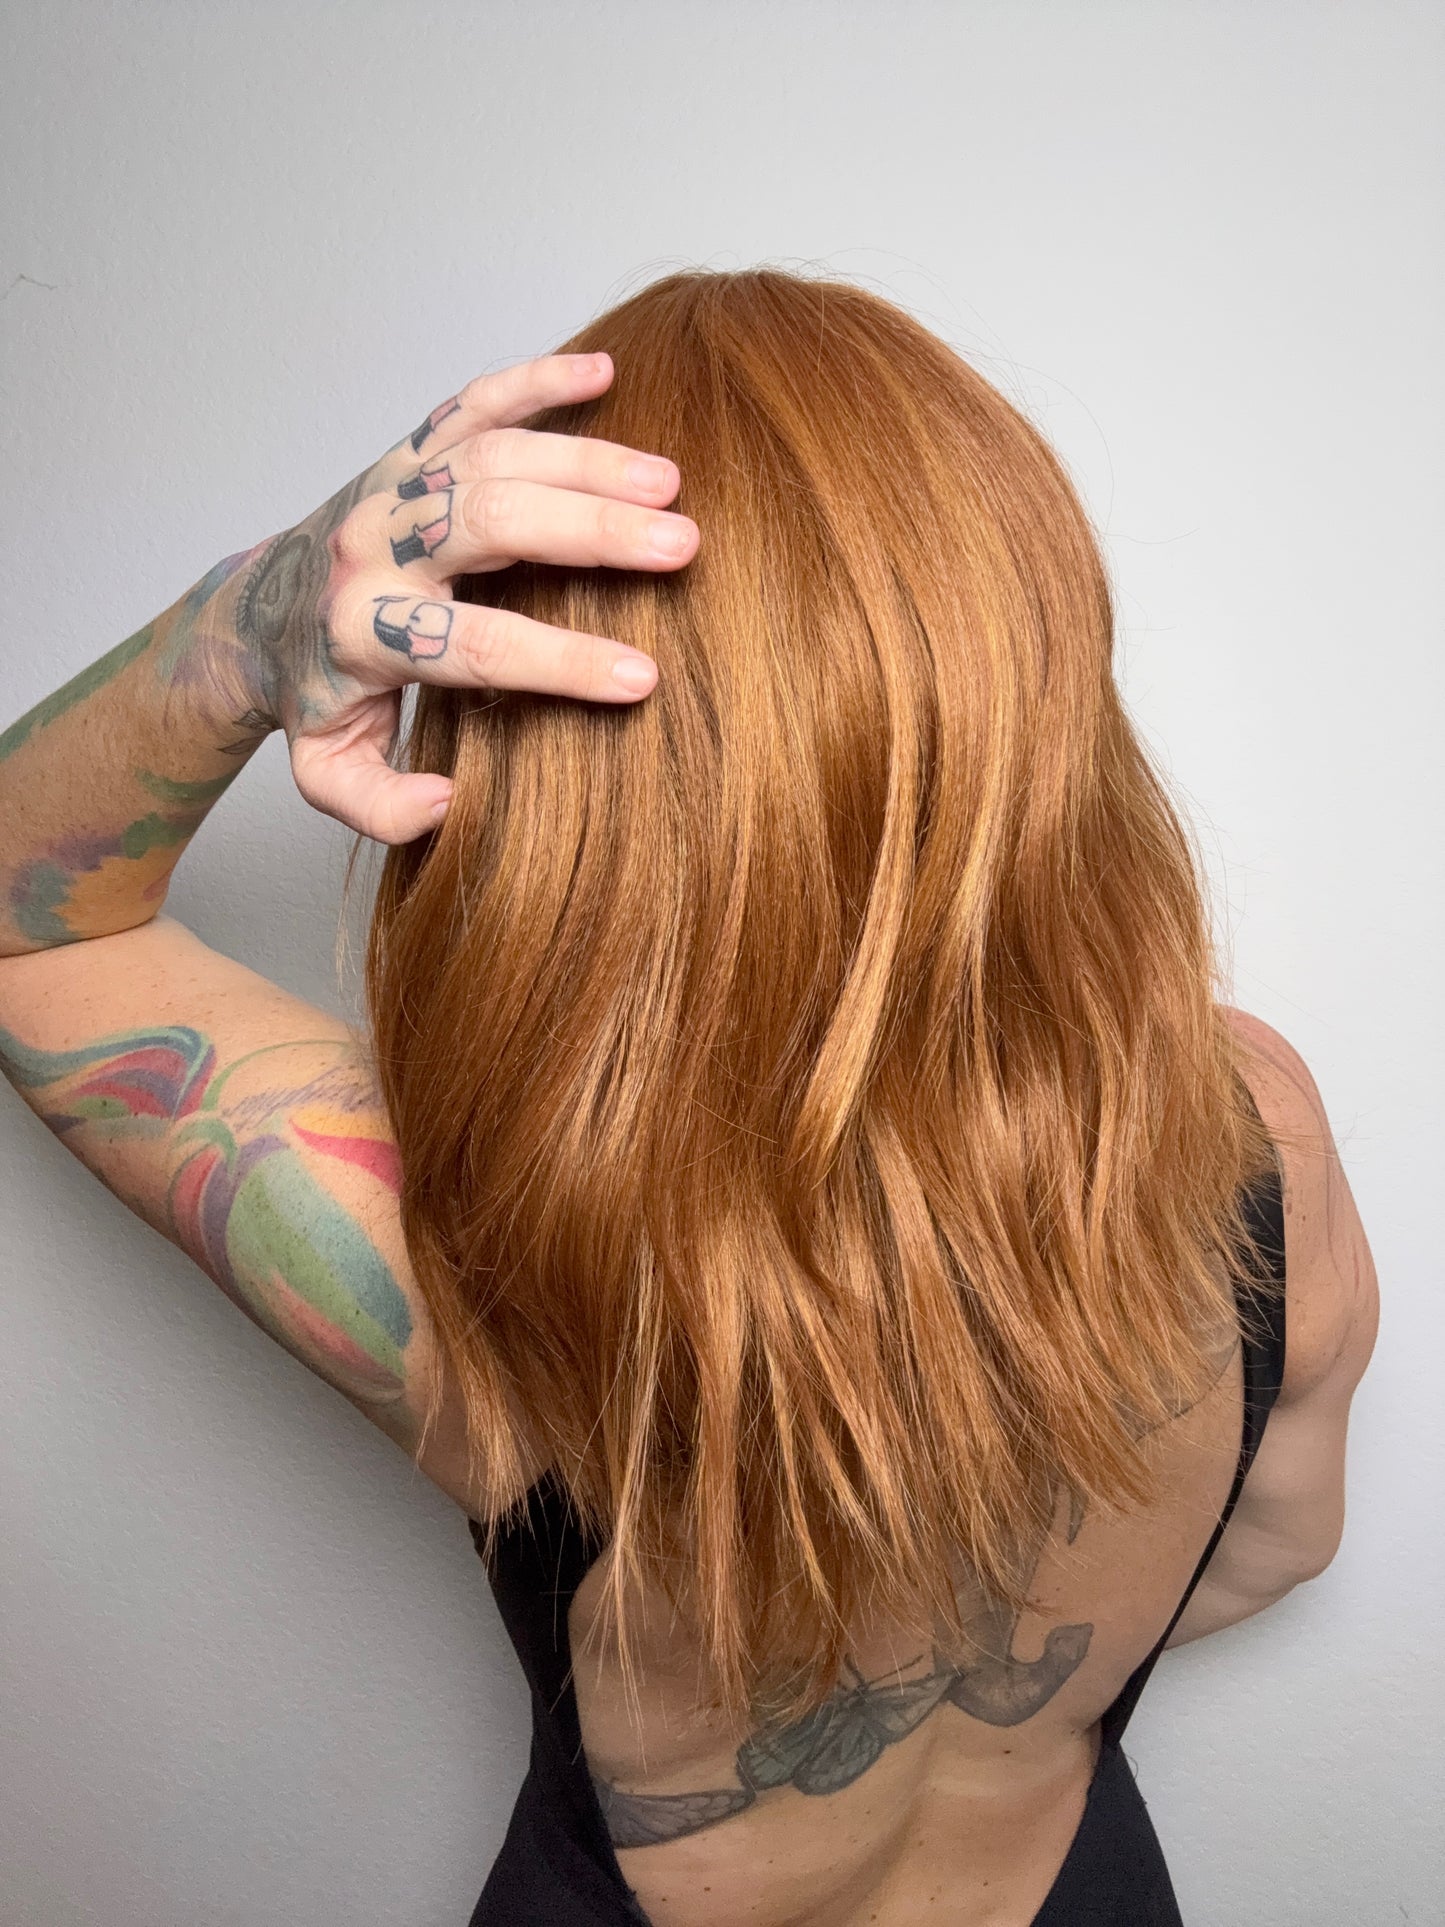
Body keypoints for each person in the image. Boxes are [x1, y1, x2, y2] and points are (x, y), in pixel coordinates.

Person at [0, 267, 1378, 1926]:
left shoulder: (476, 1266)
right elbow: (1272, 1548)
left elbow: (29, 925)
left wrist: (271, 606)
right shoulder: (1252, 1124)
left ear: (532, 764)